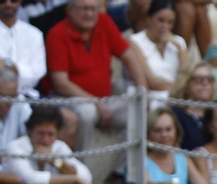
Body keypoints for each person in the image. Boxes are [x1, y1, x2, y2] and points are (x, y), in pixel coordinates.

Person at [46, 0, 151, 151]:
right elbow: (61, 83)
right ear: (70, 10)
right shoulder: (57, 33)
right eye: (84, 9)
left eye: (93, 9)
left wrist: (143, 91)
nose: (89, 14)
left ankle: (121, 171)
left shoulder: (103, 22)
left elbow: (129, 56)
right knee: (87, 113)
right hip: (68, 99)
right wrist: (96, 103)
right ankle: (80, 168)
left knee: (140, 111)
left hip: (104, 100)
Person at [2, 104, 97, 184]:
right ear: (30, 131)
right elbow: (29, 179)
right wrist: (74, 179)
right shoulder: (15, 147)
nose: (45, 140)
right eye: (41, 133)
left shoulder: (59, 146)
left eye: (50, 134)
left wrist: (55, 162)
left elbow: (85, 175)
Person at [128, 0, 186, 92]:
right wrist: (179, 88)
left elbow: (186, 76)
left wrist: (179, 48)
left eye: (170, 22)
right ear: (149, 19)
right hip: (152, 99)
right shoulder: (135, 41)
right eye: (160, 20)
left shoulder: (179, 42)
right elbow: (151, 81)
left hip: (177, 100)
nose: (165, 27)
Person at [171, 63, 217, 149]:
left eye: (210, 80)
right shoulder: (176, 114)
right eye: (199, 79)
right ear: (186, 84)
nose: (205, 83)